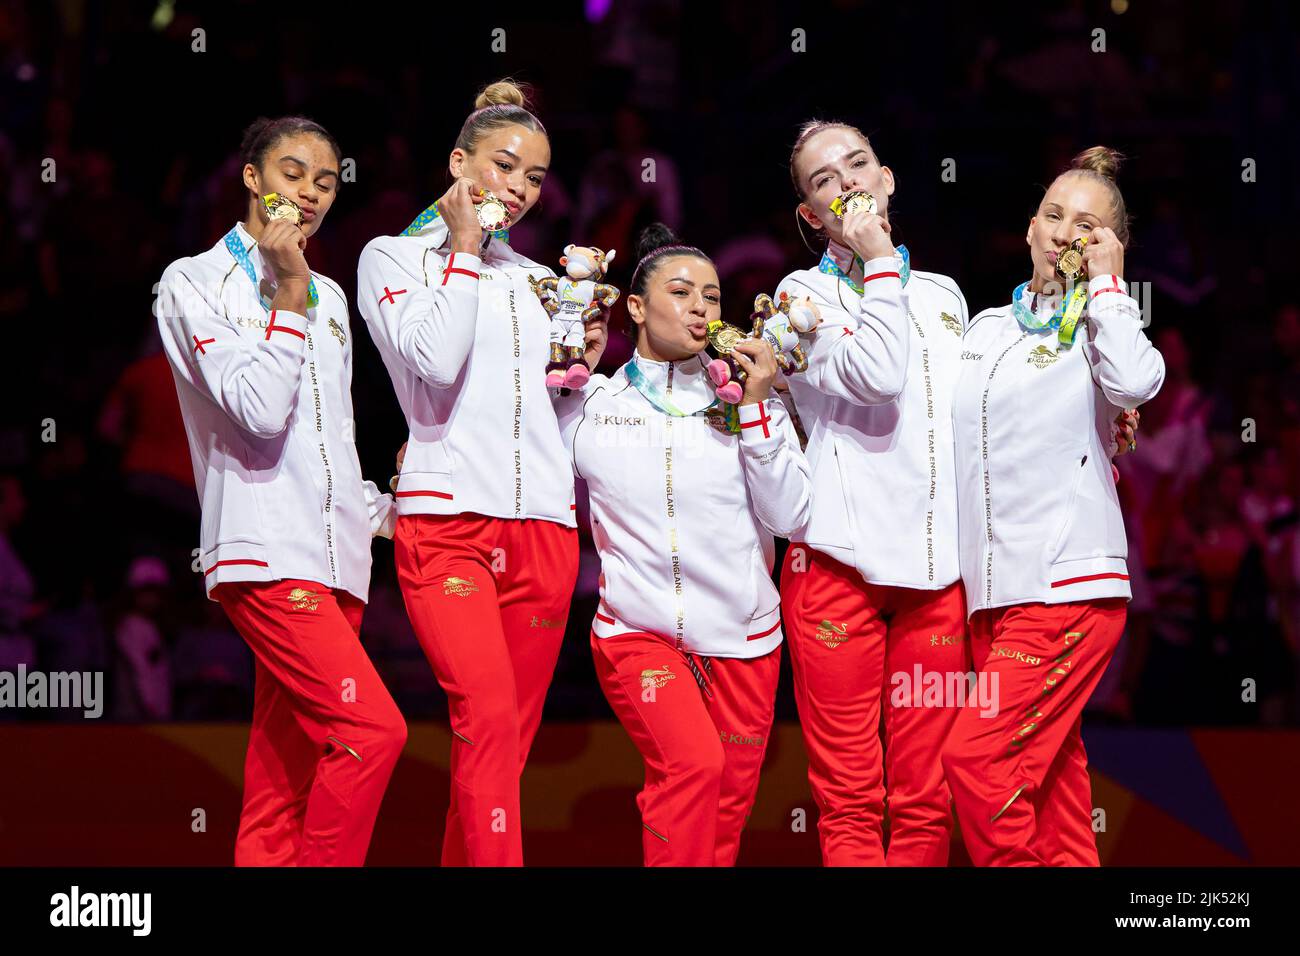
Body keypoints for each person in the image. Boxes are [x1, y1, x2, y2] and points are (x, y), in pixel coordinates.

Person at [357, 80, 609, 866]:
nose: (521, 190)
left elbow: (553, 421)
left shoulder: (540, 281)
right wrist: (463, 248)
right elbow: (433, 361)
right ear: (459, 162)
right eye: (504, 167)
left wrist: (581, 372)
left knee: (501, 749)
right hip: (446, 520)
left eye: (534, 177)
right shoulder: (390, 258)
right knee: (489, 718)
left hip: (544, 530)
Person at [156, 116, 404, 866]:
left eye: (326, 182)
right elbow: (260, 413)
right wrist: (288, 294)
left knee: (280, 781)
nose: (310, 193)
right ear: (253, 178)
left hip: (338, 563)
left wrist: (389, 509)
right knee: (372, 732)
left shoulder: (328, 293)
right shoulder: (192, 282)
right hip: (265, 552)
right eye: (293, 173)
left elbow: (329, 443)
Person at [556, 223, 812, 865]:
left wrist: (756, 410)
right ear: (635, 307)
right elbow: (520, 474)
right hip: (637, 634)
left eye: (713, 296)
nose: (701, 307)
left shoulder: (752, 402)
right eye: (681, 292)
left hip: (745, 640)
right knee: (692, 765)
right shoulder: (590, 403)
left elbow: (790, 517)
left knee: (722, 820)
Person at [943, 146, 1165, 866]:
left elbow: (1136, 383)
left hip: (1065, 584)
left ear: (1109, 245)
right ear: (1031, 229)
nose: (1066, 231)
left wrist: (1108, 287)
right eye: (1054, 214)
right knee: (1055, 792)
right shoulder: (982, 330)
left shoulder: (1106, 330)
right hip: (992, 596)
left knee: (977, 762)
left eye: (1089, 225)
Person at [775, 120, 971, 866]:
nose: (849, 182)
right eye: (826, 179)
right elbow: (879, 375)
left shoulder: (946, 295)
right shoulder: (799, 297)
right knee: (850, 799)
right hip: (838, 571)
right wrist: (881, 260)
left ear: (887, 178)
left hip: (936, 581)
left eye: (858, 165)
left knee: (926, 798)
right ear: (811, 216)